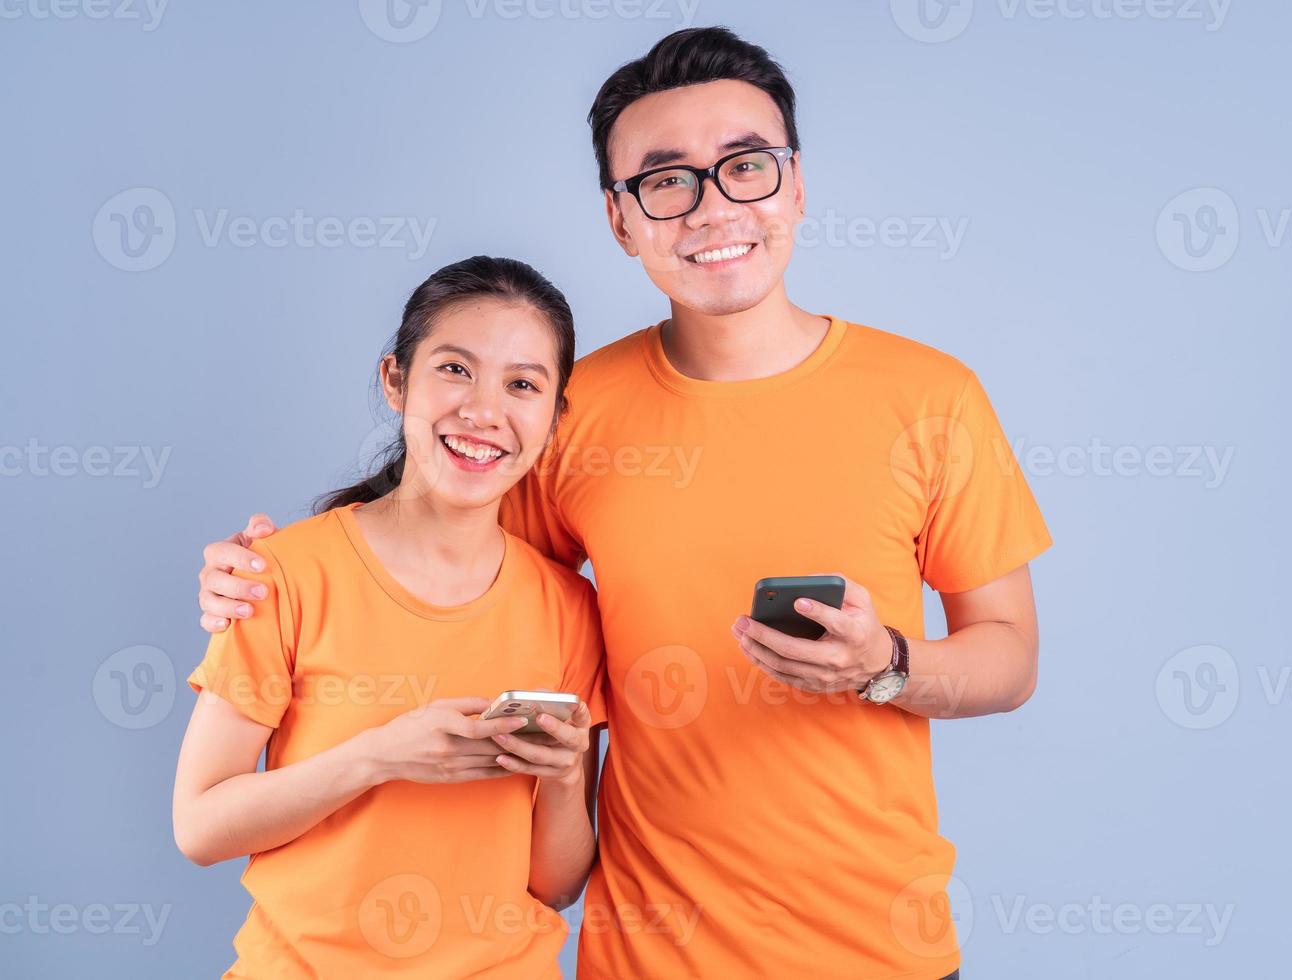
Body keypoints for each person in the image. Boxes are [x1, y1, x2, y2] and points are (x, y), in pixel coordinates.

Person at [196, 29, 1050, 980]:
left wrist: (886, 664)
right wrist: (268, 569)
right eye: (667, 180)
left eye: (746, 166)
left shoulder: (933, 398)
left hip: (880, 949)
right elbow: (446, 556)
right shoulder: (573, 411)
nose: (713, 205)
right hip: (646, 954)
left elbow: (1009, 657)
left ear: (796, 186)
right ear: (621, 219)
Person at [174, 256, 606, 978]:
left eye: (522, 385)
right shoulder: (279, 573)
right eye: (455, 369)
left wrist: (563, 779)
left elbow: (554, 884)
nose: (484, 411)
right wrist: (377, 757)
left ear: (554, 419)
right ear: (396, 380)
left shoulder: (567, 609)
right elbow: (200, 827)